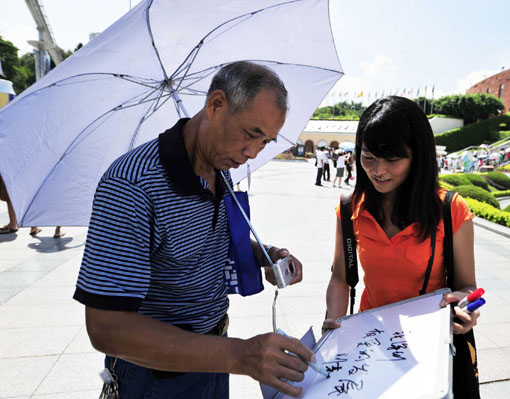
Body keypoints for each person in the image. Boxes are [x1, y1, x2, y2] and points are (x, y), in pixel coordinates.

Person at [73, 61, 313, 399]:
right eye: (250, 134)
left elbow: (214, 239)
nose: (251, 153)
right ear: (216, 105)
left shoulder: (221, 169)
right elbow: (106, 328)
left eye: (265, 142)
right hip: (154, 373)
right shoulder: (132, 185)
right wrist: (241, 356)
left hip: (213, 356)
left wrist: (266, 255)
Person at [322, 96, 479, 393]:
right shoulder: (349, 208)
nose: (378, 170)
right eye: (368, 157)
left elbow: (468, 287)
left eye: (392, 159)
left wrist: (468, 307)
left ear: (417, 156)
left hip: (427, 344)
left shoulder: (451, 209)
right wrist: (334, 322)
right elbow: (341, 278)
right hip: (369, 341)